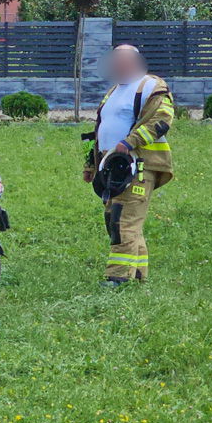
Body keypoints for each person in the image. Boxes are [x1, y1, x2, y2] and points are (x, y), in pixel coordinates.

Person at [83, 44, 174, 287]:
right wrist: (91, 165)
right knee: (120, 218)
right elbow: (98, 130)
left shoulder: (152, 86)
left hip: (139, 165)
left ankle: (117, 277)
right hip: (113, 167)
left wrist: (129, 142)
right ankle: (137, 274)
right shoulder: (114, 90)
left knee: (123, 220)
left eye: (122, 61)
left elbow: (162, 120)